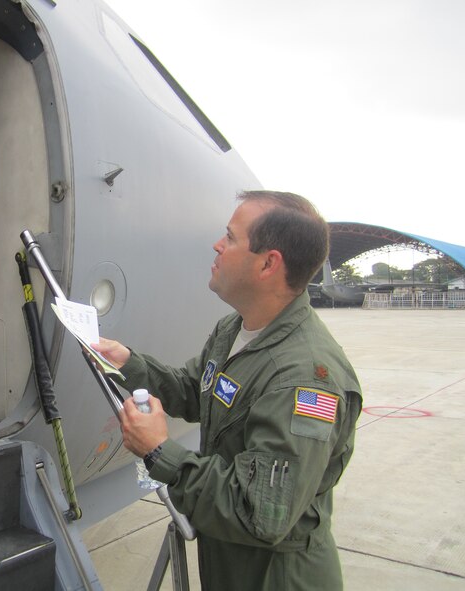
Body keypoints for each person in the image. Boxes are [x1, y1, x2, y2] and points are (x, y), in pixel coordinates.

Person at [93, 191, 362, 590]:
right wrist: (129, 363)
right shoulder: (235, 330)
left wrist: (160, 453)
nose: (218, 245)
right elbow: (193, 389)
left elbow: (259, 512)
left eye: (231, 238)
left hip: (276, 579)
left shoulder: (305, 378)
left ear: (268, 263)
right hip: (231, 567)